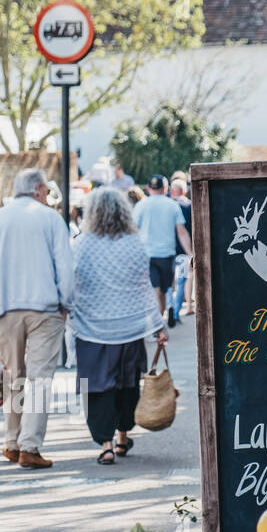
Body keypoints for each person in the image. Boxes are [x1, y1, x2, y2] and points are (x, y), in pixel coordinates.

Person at [0, 168, 74, 469]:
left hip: (6, 311)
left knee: (13, 376)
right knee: (40, 379)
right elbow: (64, 265)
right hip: (46, 309)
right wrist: (66, 302)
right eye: (45, 190)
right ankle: (30, 446)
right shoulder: (51, 219)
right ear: (39, 189)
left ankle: (12, 442)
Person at [69, 187, 168, 465]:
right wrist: (158, 326)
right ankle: (124, 436)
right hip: (129, 329)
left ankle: (106, 444)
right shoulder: (135, 244)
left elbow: (72, 285)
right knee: (127, 384)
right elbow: (144, 289)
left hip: (92, 330)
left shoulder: (81, 244)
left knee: (98, 388)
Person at [132, 175, 192, 326]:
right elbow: (181, 231)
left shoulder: (141, 205)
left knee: (157, 290)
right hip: (166, 255)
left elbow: (133, 230)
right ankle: (158, 322)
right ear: (165, 189)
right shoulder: (171, 205)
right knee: (162, 290)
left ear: (148, 188)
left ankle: (157, 321)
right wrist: (190, 253)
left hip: (147, 254)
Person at [169, 178, 194, 323]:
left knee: (167, 284)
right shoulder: (189, 205)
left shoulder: (166, 206)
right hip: (184, 251)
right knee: (181, 282)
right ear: (184, 191)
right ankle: (177, 311)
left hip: (168, 250)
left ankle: (169, 306)